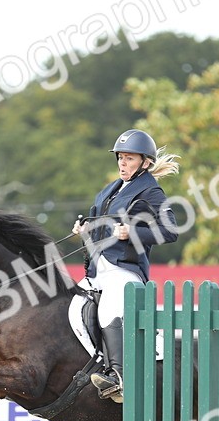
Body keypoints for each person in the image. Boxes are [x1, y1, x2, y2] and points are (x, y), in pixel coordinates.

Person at [72, 129, 180, 402]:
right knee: (71, 306)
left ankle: (119, 376)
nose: (122, 164)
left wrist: (131, 232)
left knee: (109, 308)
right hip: (98, 269)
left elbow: (170, 231)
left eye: (129, 159)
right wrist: (84, 229)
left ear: (145, 162)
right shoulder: (111, 189)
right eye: (120, 158)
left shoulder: (151, 191)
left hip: (125, 271)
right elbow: (99, 225)